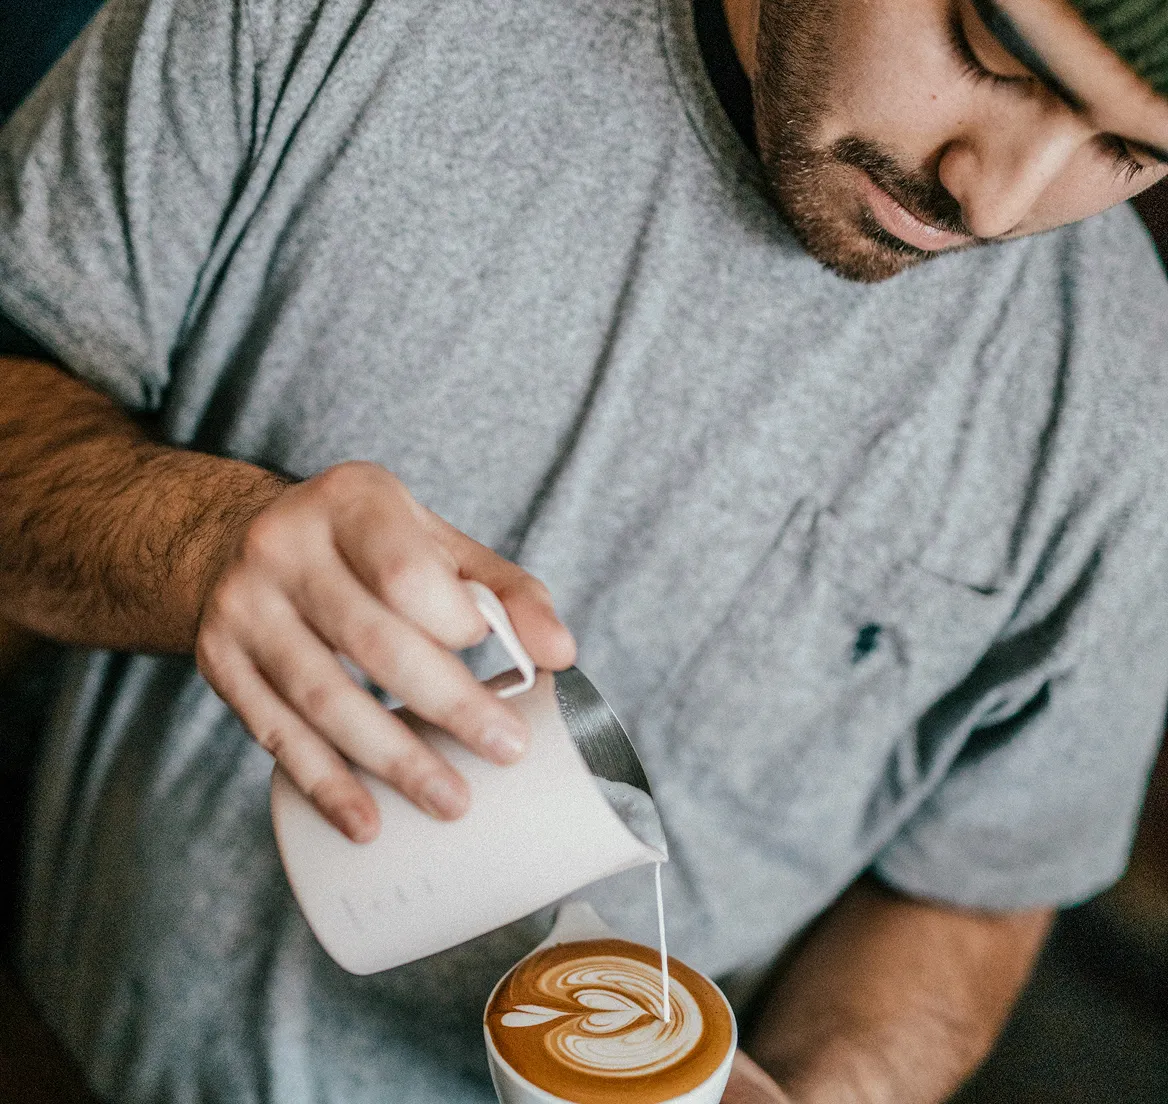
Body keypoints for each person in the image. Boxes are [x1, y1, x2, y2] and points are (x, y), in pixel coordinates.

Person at [1, 0, 1167, 1100]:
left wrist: (829, 1088)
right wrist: (195, 540)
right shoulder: (330, 23)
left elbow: (975, 891)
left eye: (1127, 150)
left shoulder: (1120, 405)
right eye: (993, 47)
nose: (997, 198)